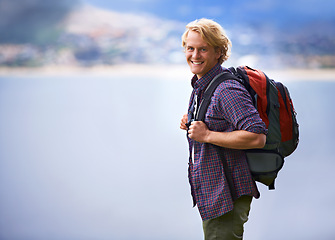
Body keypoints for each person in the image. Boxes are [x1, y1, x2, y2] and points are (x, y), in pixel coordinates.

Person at [179, 18, 268, 240]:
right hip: (215, 192)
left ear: (219, 52)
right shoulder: (203, 84)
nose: (195, 55)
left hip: (227, 195)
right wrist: (192, 122)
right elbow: (219, 120)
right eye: (190, 48)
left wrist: (207, 134)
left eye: (203, 49)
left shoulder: (226, 89)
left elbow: (257, 137)